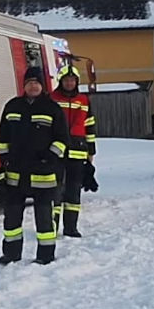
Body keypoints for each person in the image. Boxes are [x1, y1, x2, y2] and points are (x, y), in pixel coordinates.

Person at [0, 66, 70, 265]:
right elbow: (2, 137)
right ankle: (11, 254)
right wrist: (5, 159)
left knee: (44, 218)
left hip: (43, 174)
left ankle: (45, 255)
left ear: (42, 86)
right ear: (24, 85)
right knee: (11, 218)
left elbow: (62, 139)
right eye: (29, 83)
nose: (33, 86)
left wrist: (49, 157)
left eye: (36, 83)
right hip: (16, 174)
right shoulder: (12, 106)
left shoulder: (52, 108)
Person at [50, 64, 97, 238]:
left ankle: (71, 228)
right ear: (60, 81)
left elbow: (89, 126)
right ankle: (51, 227)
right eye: (66, 80)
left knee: (74, 191)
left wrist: (91, 152)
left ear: (76, 82)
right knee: (54, 190)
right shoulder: (51, 98)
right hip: (56, 153)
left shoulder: (84, 100)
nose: (69, 83)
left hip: (78, 152)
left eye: (72, 80)